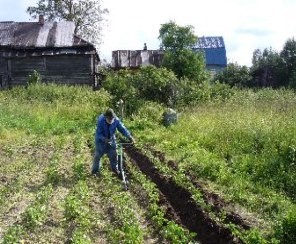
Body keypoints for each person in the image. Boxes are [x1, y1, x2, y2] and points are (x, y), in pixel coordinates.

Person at [91, 108, 135, 177]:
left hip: (111, 139)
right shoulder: (100, 121)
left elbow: (122, 129)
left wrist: (130, 137)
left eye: (112, 119)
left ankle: (115, 169)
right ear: (106, 117)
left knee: (113, 154)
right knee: (98, 155)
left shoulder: (116, 120)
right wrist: (104, 139)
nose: (110, 120)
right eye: (109, 119)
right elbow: (98, 134)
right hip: (100, 141)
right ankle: (95, 171)